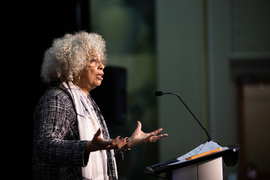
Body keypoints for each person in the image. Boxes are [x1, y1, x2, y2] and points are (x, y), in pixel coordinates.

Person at [31, 31, 168, 180]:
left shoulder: (87, 101)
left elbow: (100, 153)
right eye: (94, 61)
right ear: (75, 65)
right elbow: (44, 146)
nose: (102, 66)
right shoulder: (58, 98)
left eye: (101, 61)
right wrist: (87, 146)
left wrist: (128, 143)